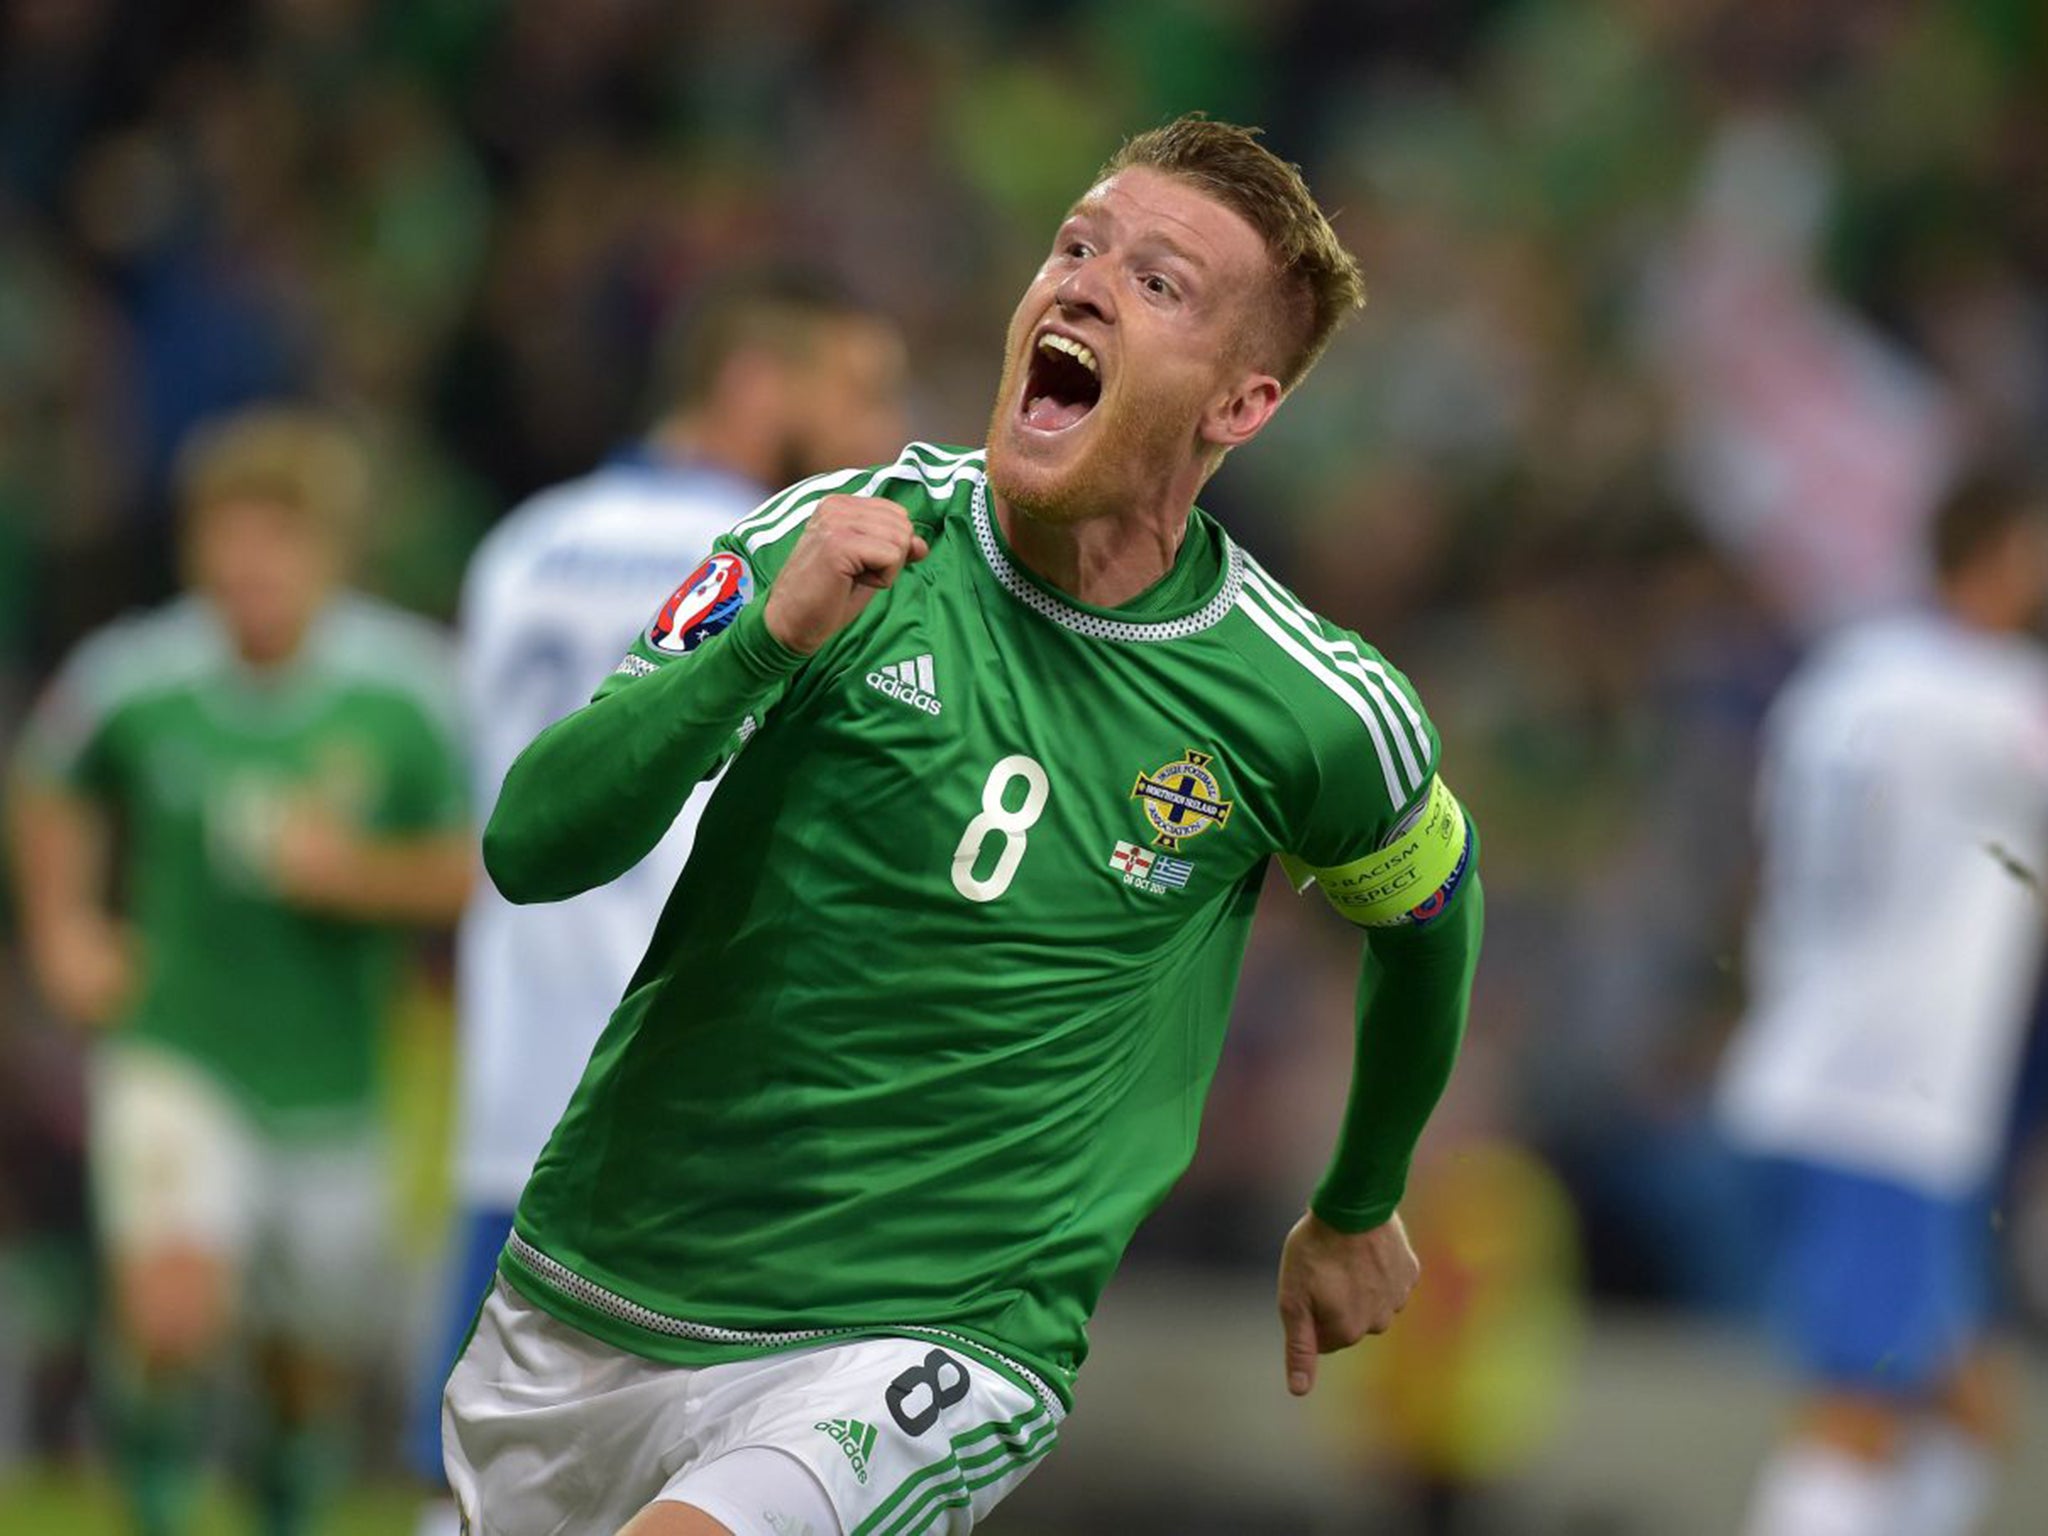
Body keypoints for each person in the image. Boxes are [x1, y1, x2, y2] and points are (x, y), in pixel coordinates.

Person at [448, 115, 1484, 1536]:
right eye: (1075, 245)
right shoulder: (828, 537)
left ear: (1239, 406)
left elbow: (1433, 911)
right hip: (595, 1290)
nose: (1084, 285)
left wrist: (1361, 1197)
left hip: (926, 1339)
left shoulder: (1306, 704)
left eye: (1159, 283)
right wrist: (756, 652)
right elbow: (532, 847)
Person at [411, 274, 906, 1535]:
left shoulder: (521, 544)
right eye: (851, 391)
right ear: (753, 386)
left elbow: (509, 802)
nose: (881, 433)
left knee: (482, 1474)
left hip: (518, 1067)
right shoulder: (795, 562)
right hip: (704, 1088)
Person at [8, 406, 474, 1536]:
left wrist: (348, 873)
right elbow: (49, 781)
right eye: (230, 536)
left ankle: (279, 1494)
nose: (249, 564)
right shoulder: (138, 674)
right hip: (178, 1046)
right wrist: (65, 927)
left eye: (278, 538)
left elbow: (475, 870)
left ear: (329, 552)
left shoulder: (408, 692)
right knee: (172, 1309)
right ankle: (156, 1501)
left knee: (304, 1364)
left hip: (334, 1081)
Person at [1718, 476, 2048, 1536]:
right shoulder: (1993, 701)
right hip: (1884, 1104)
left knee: (1962, 1406)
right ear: (2004, 558)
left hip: (1802, 1066)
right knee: (1854, 1410)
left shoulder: (1843, 677)